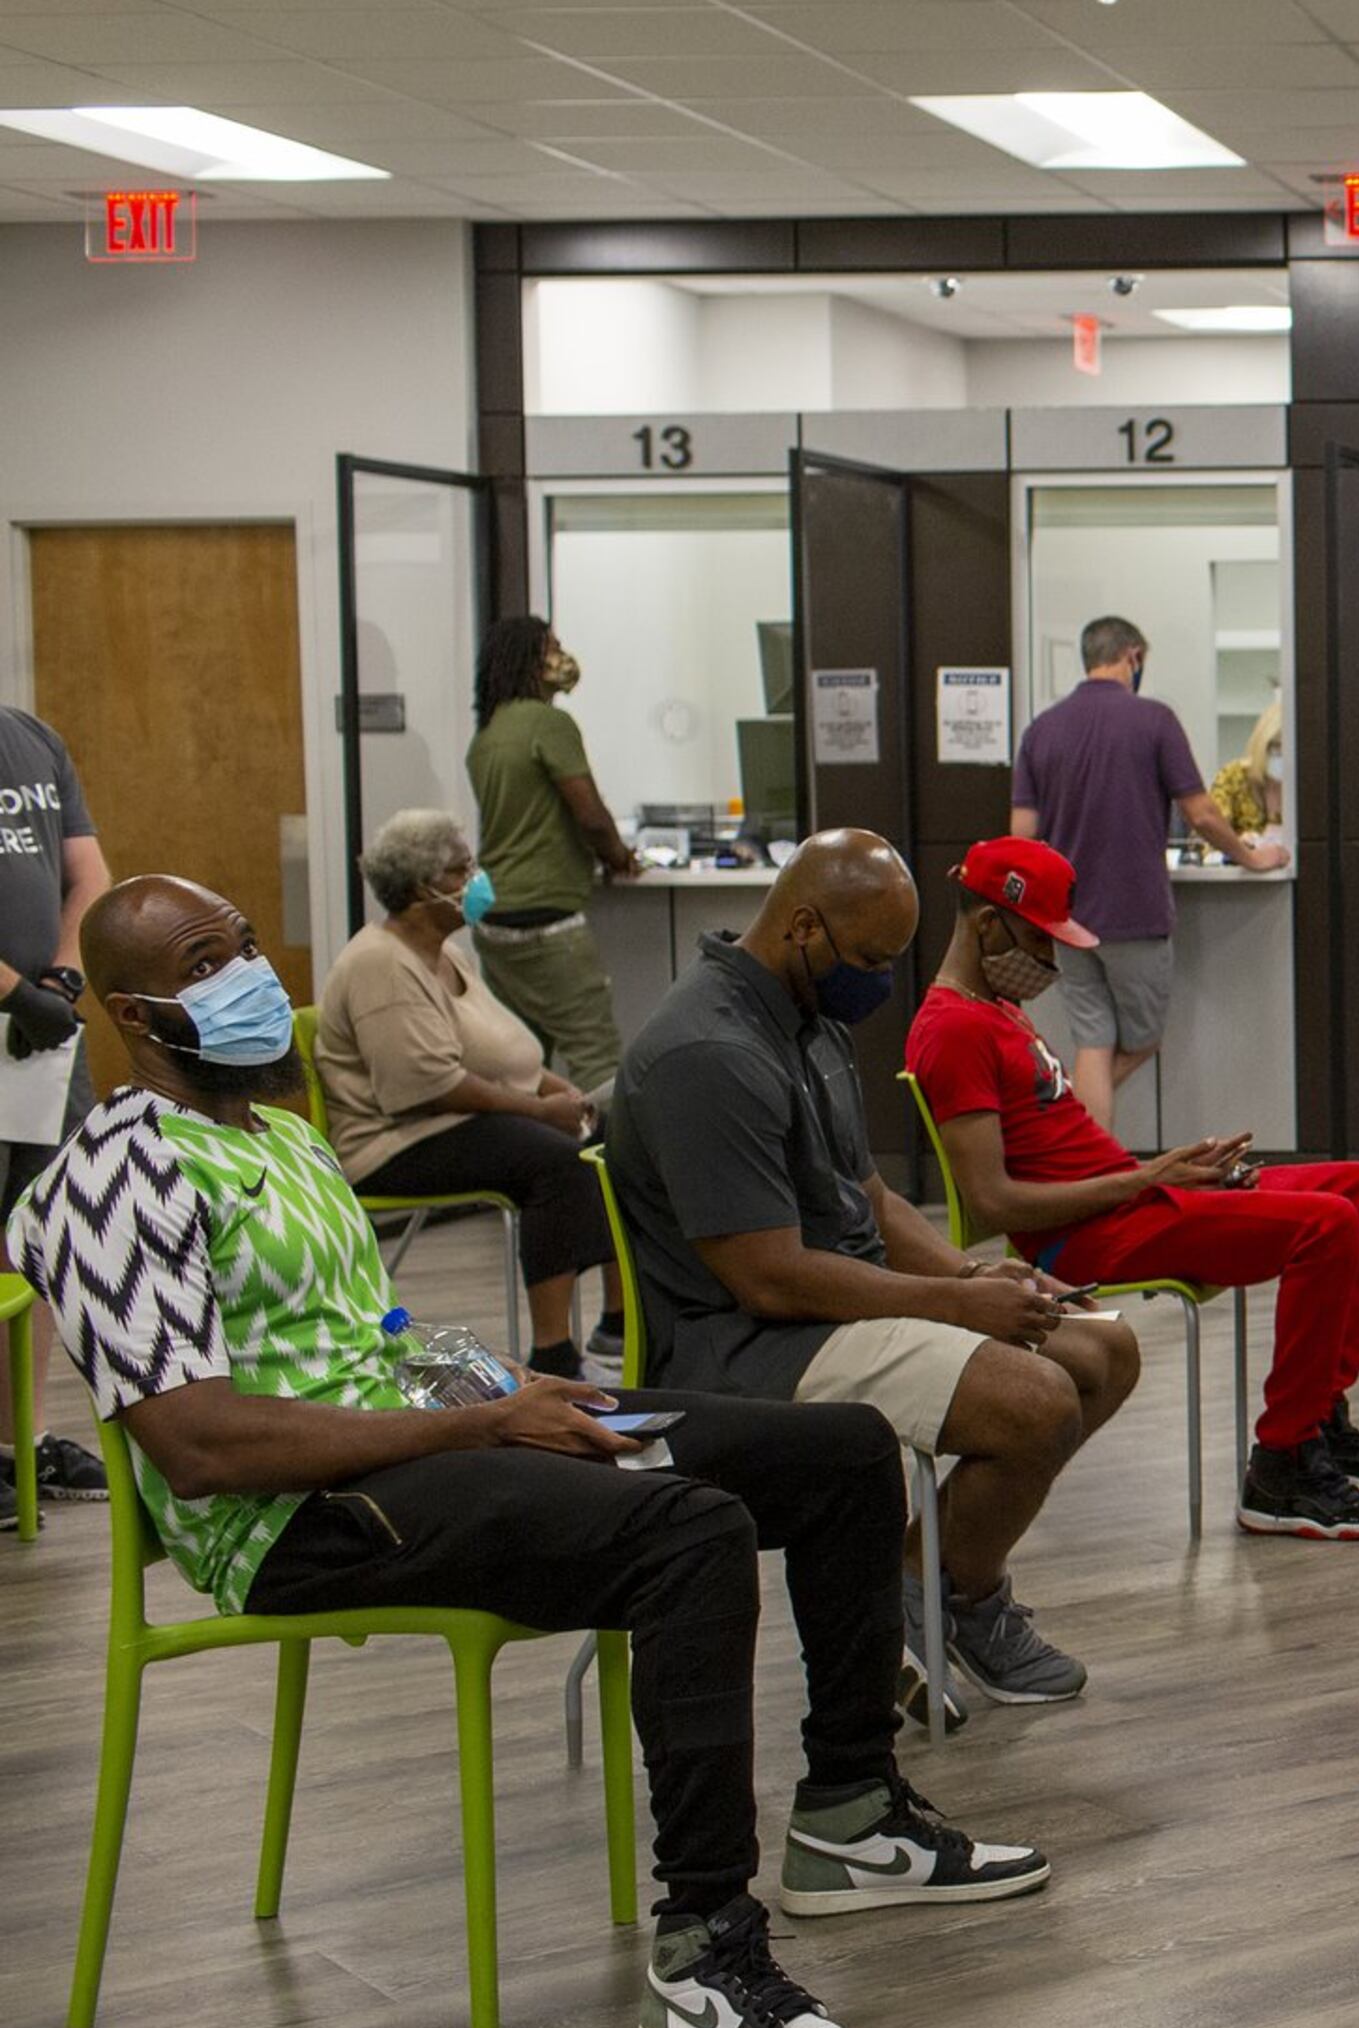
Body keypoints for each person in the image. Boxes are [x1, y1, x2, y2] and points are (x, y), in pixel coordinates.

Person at [10, 873, 1050, 2028]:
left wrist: (512, 1391)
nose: (244, 976)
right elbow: (202, 1445)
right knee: (690, 1533)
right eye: (202, 964)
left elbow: (378, 1338)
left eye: (243, 945)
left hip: (424, 1439)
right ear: (134, 1016)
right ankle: (706, 1954)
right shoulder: (112, 1177)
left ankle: (850, 1813)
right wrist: (484, 1428)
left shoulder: (278, 1137)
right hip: (294, 1520)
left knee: (837, 1448)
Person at [606, 829, 1141, 1710]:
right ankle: (943, 1595)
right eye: (869, 957)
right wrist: (957, 1306)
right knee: (1037, 1401)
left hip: (827, 1310)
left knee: (1101, 1352)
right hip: (746, 1347)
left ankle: (915, 1586)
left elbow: (874, 1201)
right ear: (803, 926)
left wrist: (975, 1284)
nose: (882, 980)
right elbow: (767, 1279)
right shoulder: (709, 1052)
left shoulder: (808, 1019)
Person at [905, 837, 1359, 1542]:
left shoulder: (997, 1011)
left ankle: (1320, 1415)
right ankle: (1284, 1460)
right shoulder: (953, 1030)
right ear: (989, 923)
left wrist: (1179, 1173)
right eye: (1040, 939)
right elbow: (994, 1205)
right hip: (1083, 1242)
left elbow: (1068, 1153)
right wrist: (1148, 1177)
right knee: (1326, 1226)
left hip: (1132, 1202)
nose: (1052, 964)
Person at [316, 808, 619, 1380]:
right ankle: (555, 1354)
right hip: (394, 1141)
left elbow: (500, 1052)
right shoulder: (380, 963)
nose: (475, 880)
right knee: (554, 1160)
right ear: (419, 888)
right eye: (460, 870)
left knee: (617, 1136)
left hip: (447, 1121)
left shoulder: (444, 952)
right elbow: (426, 1086)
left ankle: (619, 1326)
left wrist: (562, 1094)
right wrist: (540, 1110)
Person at [1010, 615, 1288, 1130]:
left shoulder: (1041, 731)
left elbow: (1021, 833)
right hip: (1134, 915)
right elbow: (1202, 814)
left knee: (1094, 1040)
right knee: (1143, 1041)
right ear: (1132, 656)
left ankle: (1080, 1159)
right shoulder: (1155, 720)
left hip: (1066, 920)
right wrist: (1253, 858)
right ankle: (1056, 1126)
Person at [0, 699, 113, 1501]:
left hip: (40, 1039)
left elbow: (89, 874)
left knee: (30, 1235)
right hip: (20, 1015)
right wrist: (13, 992)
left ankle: (19, 1445)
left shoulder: (33, 737)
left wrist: (63, 977)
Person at [463, 615, 647, 1099]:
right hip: (547, 923)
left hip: (493, 919)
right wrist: (619, 857)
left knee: (524, 1060)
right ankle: (610, 1169)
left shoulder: (487, 735)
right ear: (529, 660)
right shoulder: (550, 723)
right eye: (552, 647)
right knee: (597, 1058)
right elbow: (590, 815)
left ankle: (534, 1165)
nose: (562, 656)